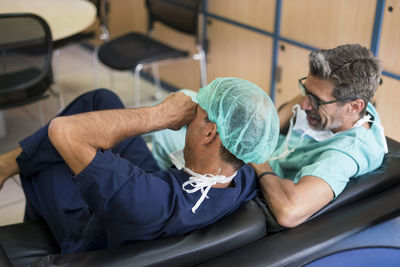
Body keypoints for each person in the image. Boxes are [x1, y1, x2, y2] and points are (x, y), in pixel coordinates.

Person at [0, 77, 279, 253]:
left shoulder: (146, 198)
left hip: (89, 237)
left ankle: (8, 169)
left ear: (210, 133)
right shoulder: (243, 178)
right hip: (153, 194)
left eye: (197, 111)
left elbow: (64, 132)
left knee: (48, 158)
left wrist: (160, 115)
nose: (188, 116)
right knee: (102, 100)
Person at [148, 44, 387, 230]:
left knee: (166, 138)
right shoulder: (341, 109)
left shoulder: (346, 155)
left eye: (316, 100)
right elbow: (275, 119)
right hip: (257, 157)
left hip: (256, 179)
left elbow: (289, 211)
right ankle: (160, 181)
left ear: (354, 106)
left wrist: (254, 154)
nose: (303, 104)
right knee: (191, 100)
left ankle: (159, 203)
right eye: (306, 90)